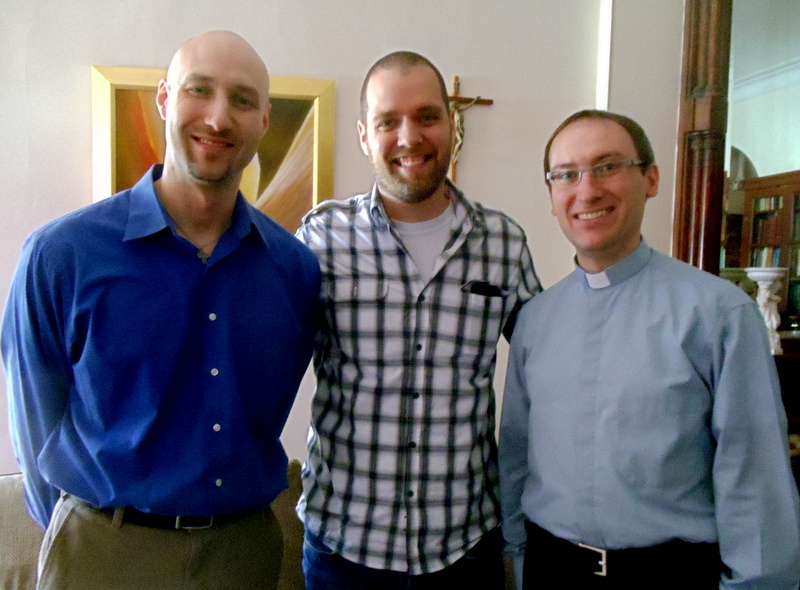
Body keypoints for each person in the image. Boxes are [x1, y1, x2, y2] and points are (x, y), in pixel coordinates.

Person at [1, 30, 320, 589]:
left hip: (241, 556)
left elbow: (266, 413)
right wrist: (95, 530)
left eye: (242, 100)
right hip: (103, 555)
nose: (218, 118)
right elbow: (36, 427)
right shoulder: (61, 255)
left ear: (264, 121)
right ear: (165, 98)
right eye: (200, 90)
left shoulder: (293, 270)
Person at [499, 109, 800, 589]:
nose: (587, 190)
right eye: (566, 175)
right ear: (552, 196)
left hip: (669, 575)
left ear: (651, 178)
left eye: (607, 166)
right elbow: (516, 456)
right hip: (551, 571)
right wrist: (515, 560)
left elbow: (754, 479)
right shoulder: (534, 321)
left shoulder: (719, 314)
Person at [295, 51, 541, 589]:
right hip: (344, 550)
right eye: (388, 121)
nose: (409, 137)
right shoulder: (321, 238)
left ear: (452, 124)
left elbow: (549, 372)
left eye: (427, 116)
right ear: (364, 136)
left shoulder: (503, 243)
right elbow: (262, 356)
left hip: (464, 550)